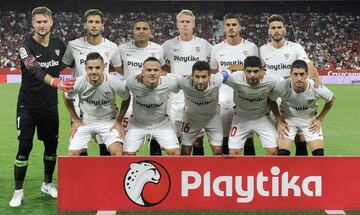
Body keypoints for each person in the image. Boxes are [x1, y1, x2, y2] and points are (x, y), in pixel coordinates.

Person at [9, 6, 74, 207]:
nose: (42, 25)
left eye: (45, 21)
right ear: (33, 24)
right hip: (27, 107)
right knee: (24, 147)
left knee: (51, 147)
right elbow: (34, 68)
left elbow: (70, 64)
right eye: (38, 22)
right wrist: (57, 83)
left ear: (51, 22)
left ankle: (47, 184)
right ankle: (18, 191)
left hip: (49, 107)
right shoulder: (25, 46)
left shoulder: (59, 45)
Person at [62, 9, 123, 156]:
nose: (94, 25)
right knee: (81, 149)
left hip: (104, 104)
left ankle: (105, 178)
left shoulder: (112, 47)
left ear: (103, 25)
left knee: (105, 147)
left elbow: (121, 71)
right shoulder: (73, 45)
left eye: (97, 22)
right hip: (79, 104)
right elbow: (62, 66)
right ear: (85, 25)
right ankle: (83, 178)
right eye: (90, 22)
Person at [260, 14, 321, 156]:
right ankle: (281, 173)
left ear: (284, 29)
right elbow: (260, 70)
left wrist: (316, 79)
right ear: (268, 30)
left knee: (300, 137)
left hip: (292, 97)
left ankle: (302, 172)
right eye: (273, 28)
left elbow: (308, 65)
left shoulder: (295, 47)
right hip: (273, 97)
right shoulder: (263, 49)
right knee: (280, 136)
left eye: (279, 27)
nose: (276, 30)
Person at [162, 9, 212, 155]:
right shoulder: (167, 45)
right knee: (175, 138)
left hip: (197, 97)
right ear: (177, 24)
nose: (185, 24)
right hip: (176, 97)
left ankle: (198, 171)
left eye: (188, 22)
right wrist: (172, 76)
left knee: (197, 139)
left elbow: (214, 66)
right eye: (182, 22)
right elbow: (160, 67)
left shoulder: (204, 44)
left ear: (193, 24)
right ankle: (178, 173)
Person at [210, 13, 259, 155]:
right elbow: (214, 73)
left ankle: (250, 170)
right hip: (224, 97)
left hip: (245, 95)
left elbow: (257, 71)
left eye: (234, 25)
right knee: (225, 136)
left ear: (239, 27)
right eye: (228, 25)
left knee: (248, 137)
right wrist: (229, 69)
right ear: (224, 28)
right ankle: (226, 169)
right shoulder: (216, 49)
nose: (231, 28)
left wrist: (241, 68)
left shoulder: (251, 47)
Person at [64, 52, 130, 156]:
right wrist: (76, 120)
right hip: (86, 122)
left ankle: (111, 173)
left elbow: (127, 98)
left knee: (117, 153)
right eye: (90, 68)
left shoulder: (114, 82)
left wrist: (118, 121)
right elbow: (66, 97)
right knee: (71, 155)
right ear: (85, 68)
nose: (94, 71)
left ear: (103, 68)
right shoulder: (78, 82)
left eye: (97, 67)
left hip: (108, 122)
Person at [118, 18, 165, 155]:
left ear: (150, 32)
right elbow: (118, 68)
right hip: (130, 98)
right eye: (138, 29)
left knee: (155, 135)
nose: (141, 31)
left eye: (145, 28)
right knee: (128, 136)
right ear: (133, 31)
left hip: (153, 97)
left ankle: (156, 165)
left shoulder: (158, 49)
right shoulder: (122, 48)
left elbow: (161, 70)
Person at [270, 60, 335, 156]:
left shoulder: (315, 87)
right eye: (295, 74)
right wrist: (279, 121)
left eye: (302, 74)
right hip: (289, 121)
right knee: (282, 154)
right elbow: (271, 99)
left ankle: (309, 171)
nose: (299, 78)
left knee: (319, 154)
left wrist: (320, 119)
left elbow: (332, 98)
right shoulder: (283, 86)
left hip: (309, 121)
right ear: (290, 74)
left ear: (307, 74)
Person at [123, 57, 180, 155]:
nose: (152, 73)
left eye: (156, 70)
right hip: (137, 125)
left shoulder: (170, 83)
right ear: (142, 72)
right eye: (148, 70)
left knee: (175, 153)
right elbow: (123, 95)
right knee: (127, 154)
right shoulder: (132, 81)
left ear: (160, 72)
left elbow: (186, 82)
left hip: (162, 125)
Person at [224, 56, 278, 156]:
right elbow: (216, 78)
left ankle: (266, 172)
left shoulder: (271, 80)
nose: (252, 75)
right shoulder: (234, 79)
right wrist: (230, 69)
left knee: (273, 151)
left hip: (262, 118)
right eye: (248, 71)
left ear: (261, 70)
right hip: (241, 119)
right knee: (233, 153)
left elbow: (288, 85)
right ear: (243, 71)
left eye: (256, 71)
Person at [176, 61, 223, 155]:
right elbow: (165, 76)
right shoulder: (183, 81)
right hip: (191, 117)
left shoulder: (217, 80)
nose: (200, 81)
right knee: (185, 150)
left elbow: (228, 73)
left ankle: (217, 169)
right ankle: (186, 169)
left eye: (204, 77)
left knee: (217, 150)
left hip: (212, 117)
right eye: (197, 77)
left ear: (209, 75)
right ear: (192, 75)